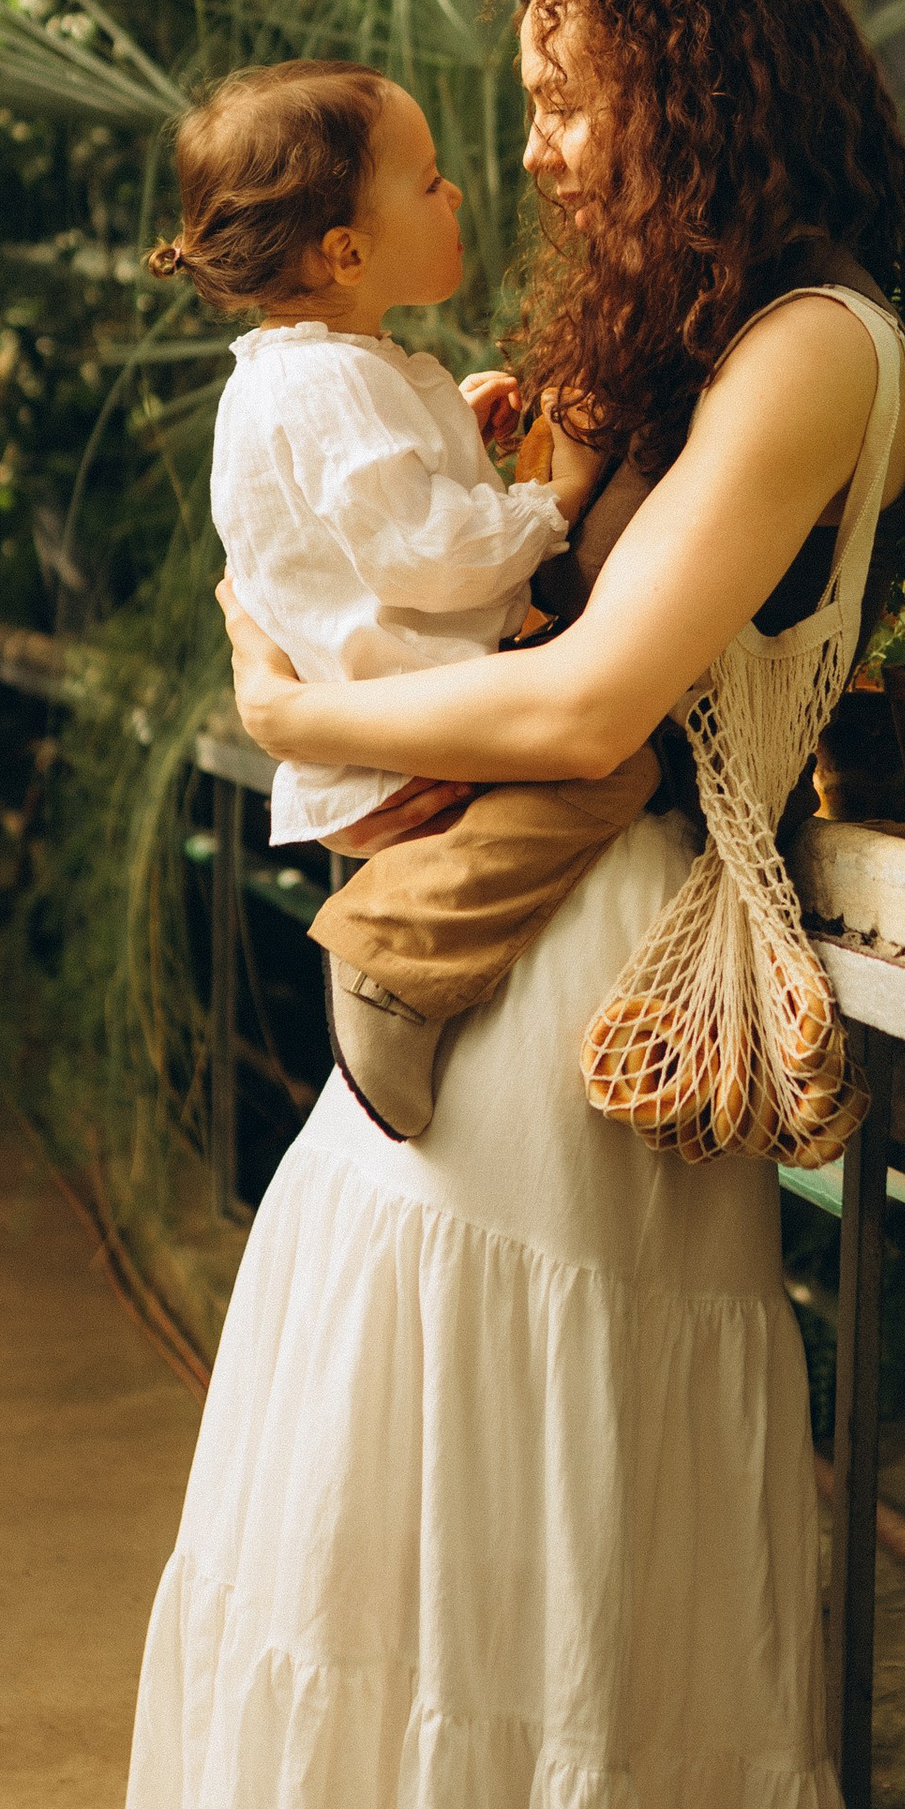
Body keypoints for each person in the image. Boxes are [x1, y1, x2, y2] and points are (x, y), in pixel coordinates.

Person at [1, 0, 905, 1809]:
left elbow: (580, 708)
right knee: (373, 1534)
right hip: (504, 996)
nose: (532, 147)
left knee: (477, 1545)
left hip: (594, 1003)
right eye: (510, 107)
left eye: (563, 91)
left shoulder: (812, 346)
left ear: (691, 79)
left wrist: (294, 714)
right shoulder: (697, 333)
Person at [146, 57, 658, 1137]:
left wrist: (453, 442)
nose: (458, 191)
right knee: (617, 769)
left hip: (373, 714)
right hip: (404, 728)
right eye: (426, 182)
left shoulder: (314, 372)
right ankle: (389, 956)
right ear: (346, 251)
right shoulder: (332, 385)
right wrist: (551, 496)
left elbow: (365, 516)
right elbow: (423, 556)